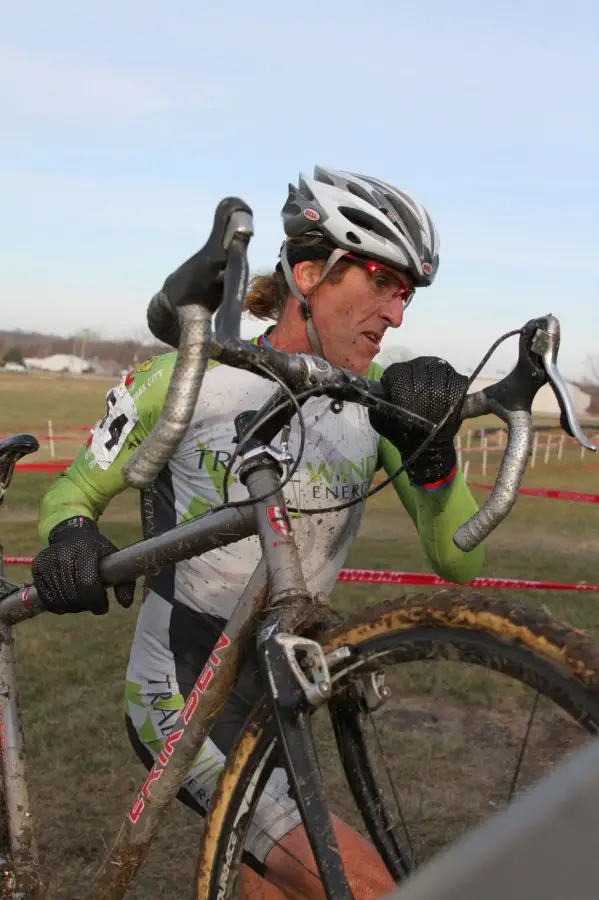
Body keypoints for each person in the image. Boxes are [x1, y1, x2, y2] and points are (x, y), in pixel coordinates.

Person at [32, 166, 485, 898]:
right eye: (378, 280)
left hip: (280, 688)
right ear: (308, 271)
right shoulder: (189, 377)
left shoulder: (375, 406)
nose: (395, 314)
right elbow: (75, 488)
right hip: (179, 686)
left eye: (405, 294)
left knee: (269, 881)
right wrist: (70, 536)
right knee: (362, 887)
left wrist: (435, 459)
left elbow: (459, 561)